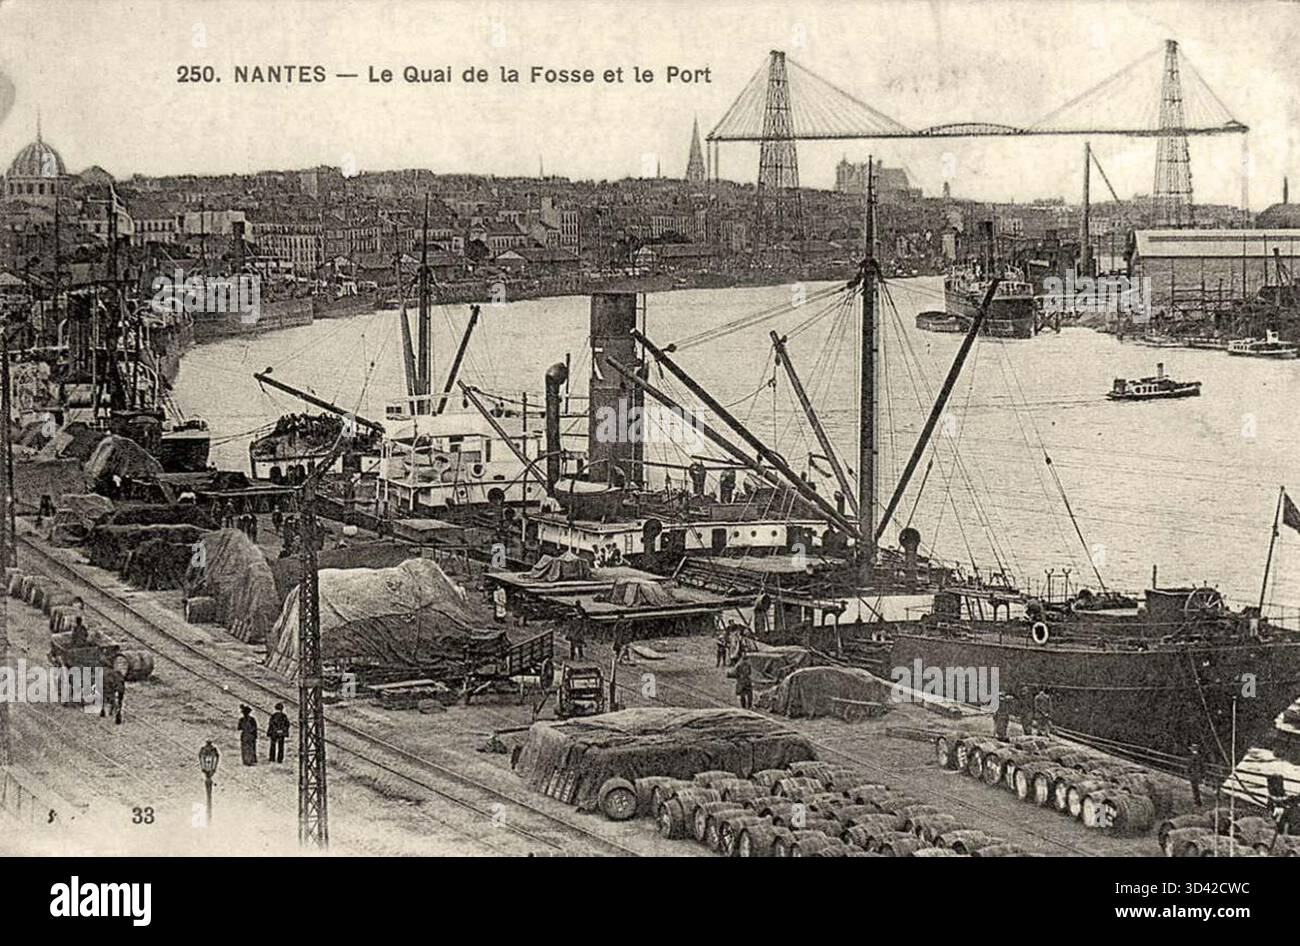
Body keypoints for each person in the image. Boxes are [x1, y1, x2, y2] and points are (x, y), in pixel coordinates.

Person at [1187, 743, 1205, 807]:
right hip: (1198, 774)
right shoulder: (1200, 757)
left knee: (1194, 788)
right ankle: (1198, 802)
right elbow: (1202, 767)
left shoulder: (1192, 757)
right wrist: (1202, 775)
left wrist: (1188, 771)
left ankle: (1196, 802)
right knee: (1196, 788)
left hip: (1193, 774)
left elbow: (1190, 766)